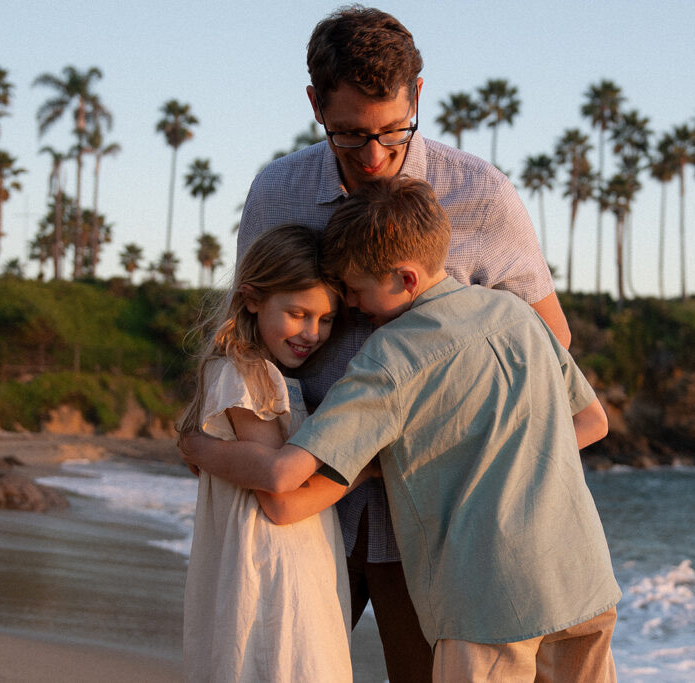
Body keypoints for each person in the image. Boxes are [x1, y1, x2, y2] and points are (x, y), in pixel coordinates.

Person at [226, 7, 572, 679]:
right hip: (304, 503)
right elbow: (247, 334)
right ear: (314, 106)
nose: (375, 157)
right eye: (350, 136)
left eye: (392, 130)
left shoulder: (482, 197)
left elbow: (549, 348)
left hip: (434, 523)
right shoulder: (277, 193)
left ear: (417, 94)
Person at [182, 177, 622, 682]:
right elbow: (592, 421)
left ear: (405, 279)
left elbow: (283, 480)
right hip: (584, 580)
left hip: (489, 601)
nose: (351, 305)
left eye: (354, 288)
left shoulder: (391, 357)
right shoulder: (514, 313)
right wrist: (505, 446)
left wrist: (197, 443)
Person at [177, 224, 370, 682]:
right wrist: (364, 469)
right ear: (251, 298)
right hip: (273, 573)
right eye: (298, 313)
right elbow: (281, 501)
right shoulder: (247, 374)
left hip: (286, 566)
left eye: (326, 319)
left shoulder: (269, 378)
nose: (313, 332)